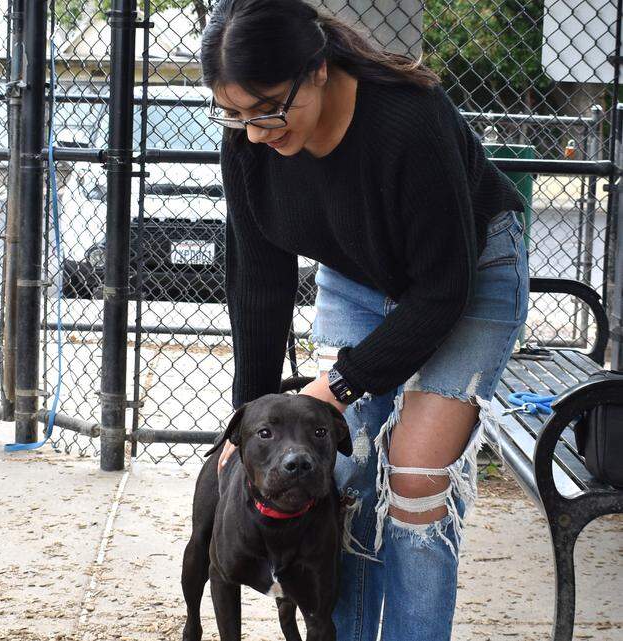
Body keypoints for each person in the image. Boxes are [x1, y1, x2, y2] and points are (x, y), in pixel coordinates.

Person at [200, 0, 528, 639]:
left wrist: (341, 386)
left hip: (468, 278)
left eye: (267, 106)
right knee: (342, 480)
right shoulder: (249, 139)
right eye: (234, 113)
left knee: (413, 484)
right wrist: (245, 423)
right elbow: (259, 284)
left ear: (318, 69)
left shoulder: (410, 121)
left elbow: (442, 290)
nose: (256, 130)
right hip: (356, 278)